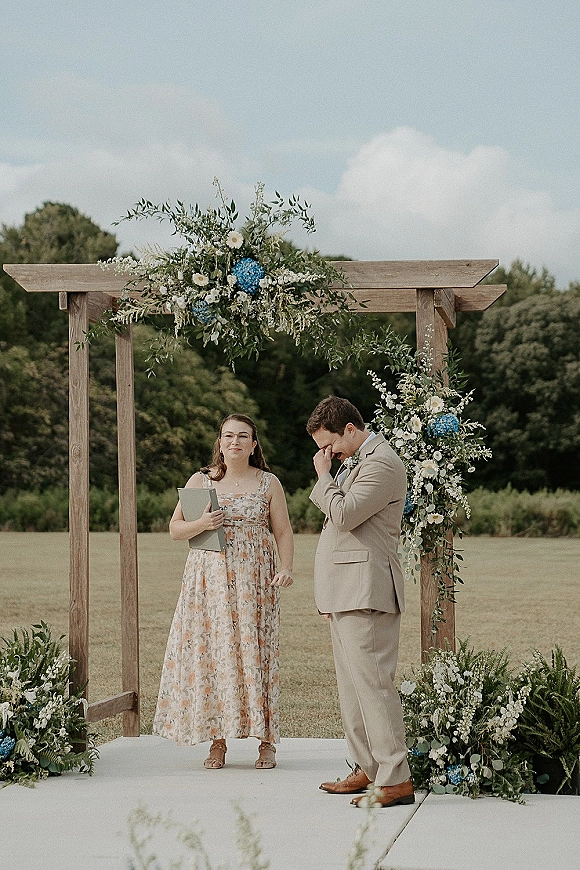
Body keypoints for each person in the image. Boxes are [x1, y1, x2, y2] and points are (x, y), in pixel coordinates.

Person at [153, 413, 294, 771]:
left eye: (242, 436)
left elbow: (284, 532)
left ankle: (266, 742)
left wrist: (287, 567)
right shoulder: (201, 481)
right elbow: (175, 529)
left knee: (257, 655)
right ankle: (218, 741)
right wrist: (202, 523)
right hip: (208, 582)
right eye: (228, 436)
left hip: (255, 582)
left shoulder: (268, 483)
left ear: (253, 443)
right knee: (214, 656)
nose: (235, 442)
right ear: (219, 442)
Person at [306, 396, 414, 808]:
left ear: (350, 429)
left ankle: (396, 778)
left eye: (328, 444)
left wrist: (323, 477)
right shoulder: (358, 462)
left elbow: (346, 514)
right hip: (345, 590)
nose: (325, 454)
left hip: (367, 589)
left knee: (374, 687)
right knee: (352, 690)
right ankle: (369, 768)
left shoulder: (382, 462)